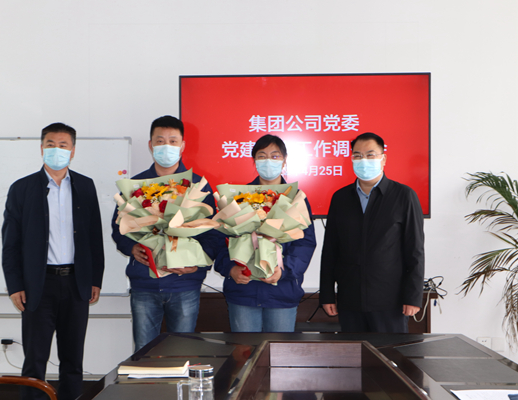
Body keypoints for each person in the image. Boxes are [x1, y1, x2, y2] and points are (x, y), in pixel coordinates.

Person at [2, 123, 104, 400]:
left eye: (63, 145)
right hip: (38, 285)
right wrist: (15, 285)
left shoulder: (85, 186)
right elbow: (10, 244)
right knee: (34, 361)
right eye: (50, 144)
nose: (56, 150)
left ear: (72, 150)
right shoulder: (22, 188)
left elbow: (94, 237)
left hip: (76, 283)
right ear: (41, 148)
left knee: (73, 361)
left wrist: (95, 279)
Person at [111, 115, 220, 352]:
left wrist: (197, 264)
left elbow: (213, 233)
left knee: (182, 352)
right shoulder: (136, 185)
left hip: (184, 284)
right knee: (144, 352)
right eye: (160, 141)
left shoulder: (198, 185)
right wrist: (131, 247)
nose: (166, 146)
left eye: (172, 141)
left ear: (182, 145)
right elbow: (118, 228)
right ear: (150, 145)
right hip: (145, 283)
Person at [319, 132, 424, 333]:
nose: (363, 160)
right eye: (357, 155)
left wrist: (413, 297)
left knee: (389, 352)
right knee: (353, 352)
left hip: (390, 301)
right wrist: (327, 294)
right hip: (350, 299)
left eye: (370, 155)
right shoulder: (341, 198)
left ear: (383, 159)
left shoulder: (404, 196)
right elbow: (330, 250)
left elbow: (415, 250)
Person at [214, 134, 317, 332]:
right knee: (245, 349)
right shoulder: (238, 198)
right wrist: (230, 269)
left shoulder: (296, 198)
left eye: (274, 156)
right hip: (243, 291)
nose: (268, 161)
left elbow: (305, 243)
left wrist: (284, 270)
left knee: (278, 350)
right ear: (254, 161)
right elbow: (221, 239)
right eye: (262, 156)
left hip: (282, 292)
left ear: (284, 160)